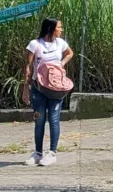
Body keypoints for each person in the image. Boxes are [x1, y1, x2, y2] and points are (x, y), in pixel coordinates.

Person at [22, 18, 74, 167]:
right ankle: (38, 153)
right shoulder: (35, 44)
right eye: (59, 27)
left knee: (53, 119)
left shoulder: (61, 43)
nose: (61, 29)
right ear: (51, 29)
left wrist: (61, 64)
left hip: (56, 90)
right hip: (38, 89)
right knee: (39, 119)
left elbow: (70, 53)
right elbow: (27, 67)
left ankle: (52, 153)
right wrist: (26, 89)